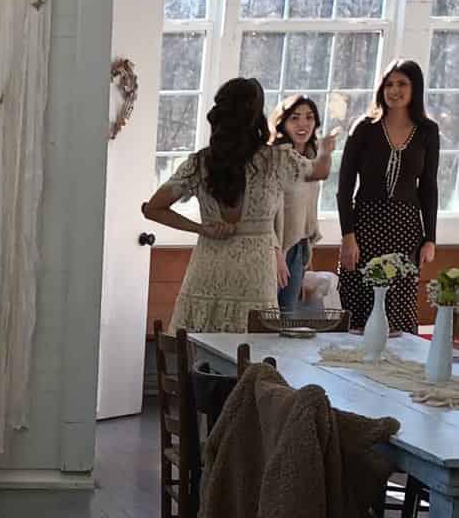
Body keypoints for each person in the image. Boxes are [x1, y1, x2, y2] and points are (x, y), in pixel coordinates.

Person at [143, 76, 335, 334]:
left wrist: (202, 228)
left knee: (201, 357)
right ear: (257, 116)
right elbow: (319, 171)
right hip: (254, 275)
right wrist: (325, 149)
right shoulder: (275, 159)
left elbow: (153, 208)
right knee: (252, 356)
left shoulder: (200, 163)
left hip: (208, 270)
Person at [336, 60, 439, 334]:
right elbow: (344, 187)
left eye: (402, 84)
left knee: (399, 311)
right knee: (360, 308)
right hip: (365, 227)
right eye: (389, 84)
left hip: (406, 231)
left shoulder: (428, 131)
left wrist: (430, 238)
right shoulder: (364, 128)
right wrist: (348, 235)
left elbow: (428, 187)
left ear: (415, 88)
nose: (394, 90)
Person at [271, 95, 323, 313]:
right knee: (268, 317)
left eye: (309, 117)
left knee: (287, 319)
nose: (303, 124)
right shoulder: (276, 158)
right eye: (295, 118)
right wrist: (277, 255)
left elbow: (307, 210)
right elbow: (267, 212)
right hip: (275, 249)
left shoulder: (313, 158)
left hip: (299, 250)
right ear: (283, 123)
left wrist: (305, 260)